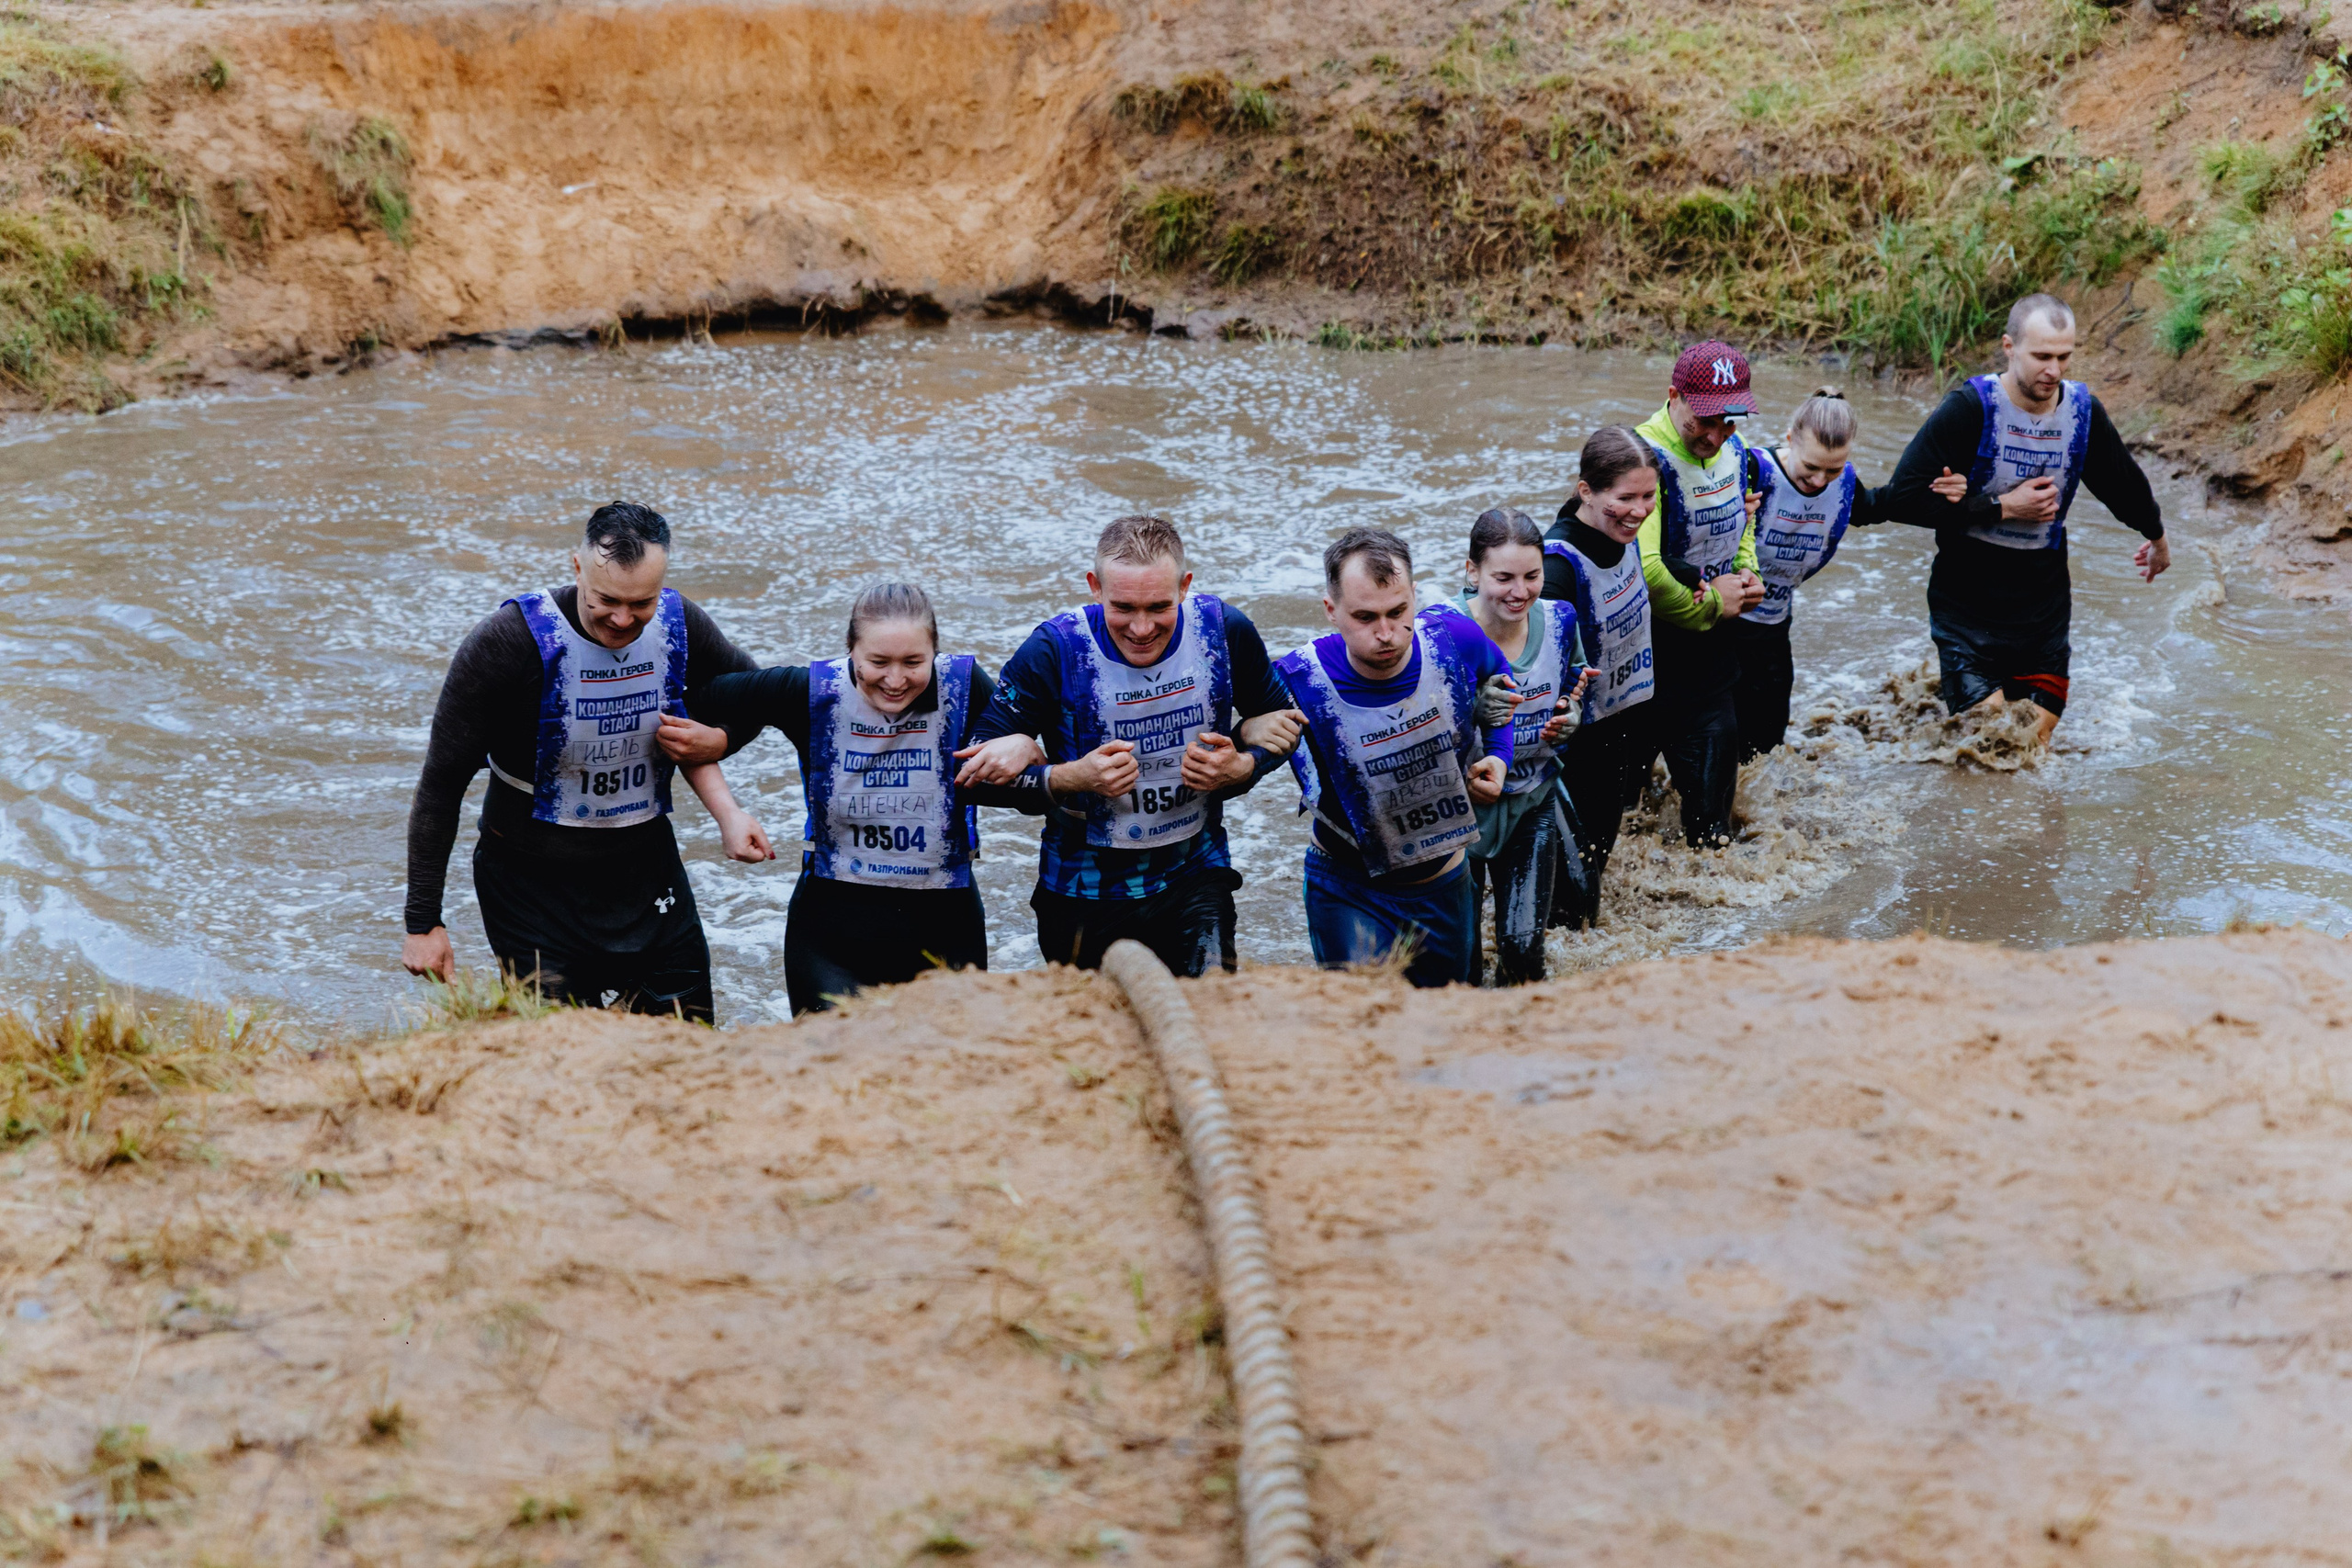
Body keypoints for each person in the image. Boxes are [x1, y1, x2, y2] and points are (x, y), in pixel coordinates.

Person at [401, 502, 771, 1021]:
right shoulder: (508, 642)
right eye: (606, 600)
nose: (623, 620)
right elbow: (441, 783)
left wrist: (720, 740)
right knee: (559, 1058)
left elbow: (757, 697)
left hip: (647, 877)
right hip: (531, 890)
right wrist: (423, 922)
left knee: (689, 1037)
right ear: (577, 569)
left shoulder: (678, 624)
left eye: (641, 603)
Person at [956, 515, 1301, 977]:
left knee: (1214, 1007)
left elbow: (1279, 723)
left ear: (1185, 586)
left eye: (1159, 606)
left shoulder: (1223, 631)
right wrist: (1069, 777)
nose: (1141, 629)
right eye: (1123, 608)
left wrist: (1244, 765)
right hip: (1081, 892)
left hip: (1195, 876)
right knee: (1096, 1037)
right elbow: (970, 780)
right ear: (1095, 587)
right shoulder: (1053, 650)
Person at [679, 582, 1048, 1016]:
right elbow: (686, 703)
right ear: (850, 652)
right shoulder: (810, 691)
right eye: (878, 662)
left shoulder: (964, 688)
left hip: (947, 926)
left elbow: (1034, 794)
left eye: (913, 662)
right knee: (833, 1074)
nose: (895, 681)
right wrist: (727, 788)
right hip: (831, 940)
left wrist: (1025, 744)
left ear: (935, 653)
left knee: (949, 1073)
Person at [1882, 292, 2169, 744]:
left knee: (2032, 741)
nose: (2053, 370)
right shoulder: (1969, 409)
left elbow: (2122, 483)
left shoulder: (2082, 413)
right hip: (1966, 602)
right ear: (2009, 347)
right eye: (2041, 356)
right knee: (1991, 732)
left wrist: (2157, 538)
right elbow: (1902, 498)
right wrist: (2002, 507)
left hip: (2042, 607)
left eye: (2063, 356)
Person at [1278, 527, 1513, 988]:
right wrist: (1242, 751)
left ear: (1414, 599)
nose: (1385, 634)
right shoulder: (1298, 679)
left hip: (1445, 883)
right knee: (1367, 1021)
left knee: (1446, 1026)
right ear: (1332, 612)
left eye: (1397, 612)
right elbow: (1249, 741)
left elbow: (1500, 676)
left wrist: (1500, 755)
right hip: (1349, 888)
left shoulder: (1455, 640)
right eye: (1365, 617)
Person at [1727, 388, 1951, 759]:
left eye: (1832, 469)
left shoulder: (1843, 484)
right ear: (1789, 439)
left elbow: (1880, 506)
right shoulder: (1753, 471)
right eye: (1811, 467)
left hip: (1772, 628)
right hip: (1721, 624)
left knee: (1766, 743)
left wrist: (1948, 489)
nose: (1819, 481)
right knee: (1717, 735)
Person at [1630, 341, 1769, 848]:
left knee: (1713, 840)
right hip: (1639, 663)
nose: (1715, 435)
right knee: (1619, 821)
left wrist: (1746, 573)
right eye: (1703, 422)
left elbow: (1744, 523)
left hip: (1708, 661)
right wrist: (1714, 603)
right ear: (1674, 397)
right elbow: (1642, 568)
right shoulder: (1640, 457)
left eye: (1728, 421)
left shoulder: (1738, 451)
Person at [1455, 508, 1590, 985]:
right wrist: (1472, 707)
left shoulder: (1558, 620)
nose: (1520, 592)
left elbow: (1576, 683)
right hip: (1459, 818)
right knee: (1461, 965)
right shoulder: (1441, 633)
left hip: (1531, 800)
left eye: (1532, 576)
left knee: (1523, 953)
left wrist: (1573, 716)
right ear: (1472, 571)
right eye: (1503, 578)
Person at [1542, 428, 1661, 929]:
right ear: (1585, 490)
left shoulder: (1622, 536)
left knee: (1595, 865)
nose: (1638, 510)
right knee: (1572, 897)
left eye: (1648, 496)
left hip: (1620, 725)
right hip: (1575, 745)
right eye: (1625, 498)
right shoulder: (1557, 566)